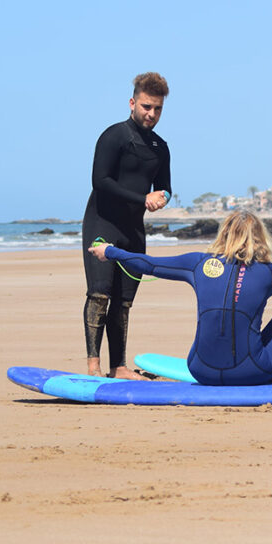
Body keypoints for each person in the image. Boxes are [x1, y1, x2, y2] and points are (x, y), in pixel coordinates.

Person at [89, 211, 272, 386]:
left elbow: (149, 264)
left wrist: (110, 251)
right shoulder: (269, 272)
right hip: (252, 374)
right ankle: (267, 377)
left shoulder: (198, 263)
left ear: (223, 234)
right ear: (259, 237)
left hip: (201, 370)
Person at [82, 72, 172, 379]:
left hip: (133, 230)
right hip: (102, 223)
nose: (151, 114)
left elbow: (165, 187)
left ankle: (117, 366)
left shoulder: (161, 148)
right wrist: (142, 198)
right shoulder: (115, 136)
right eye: (146, 107)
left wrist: (163, 198)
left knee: (123, 302)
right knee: (100, 294)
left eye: (157, 109)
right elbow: (100, 181)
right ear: (133, 102)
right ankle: (93, 365)